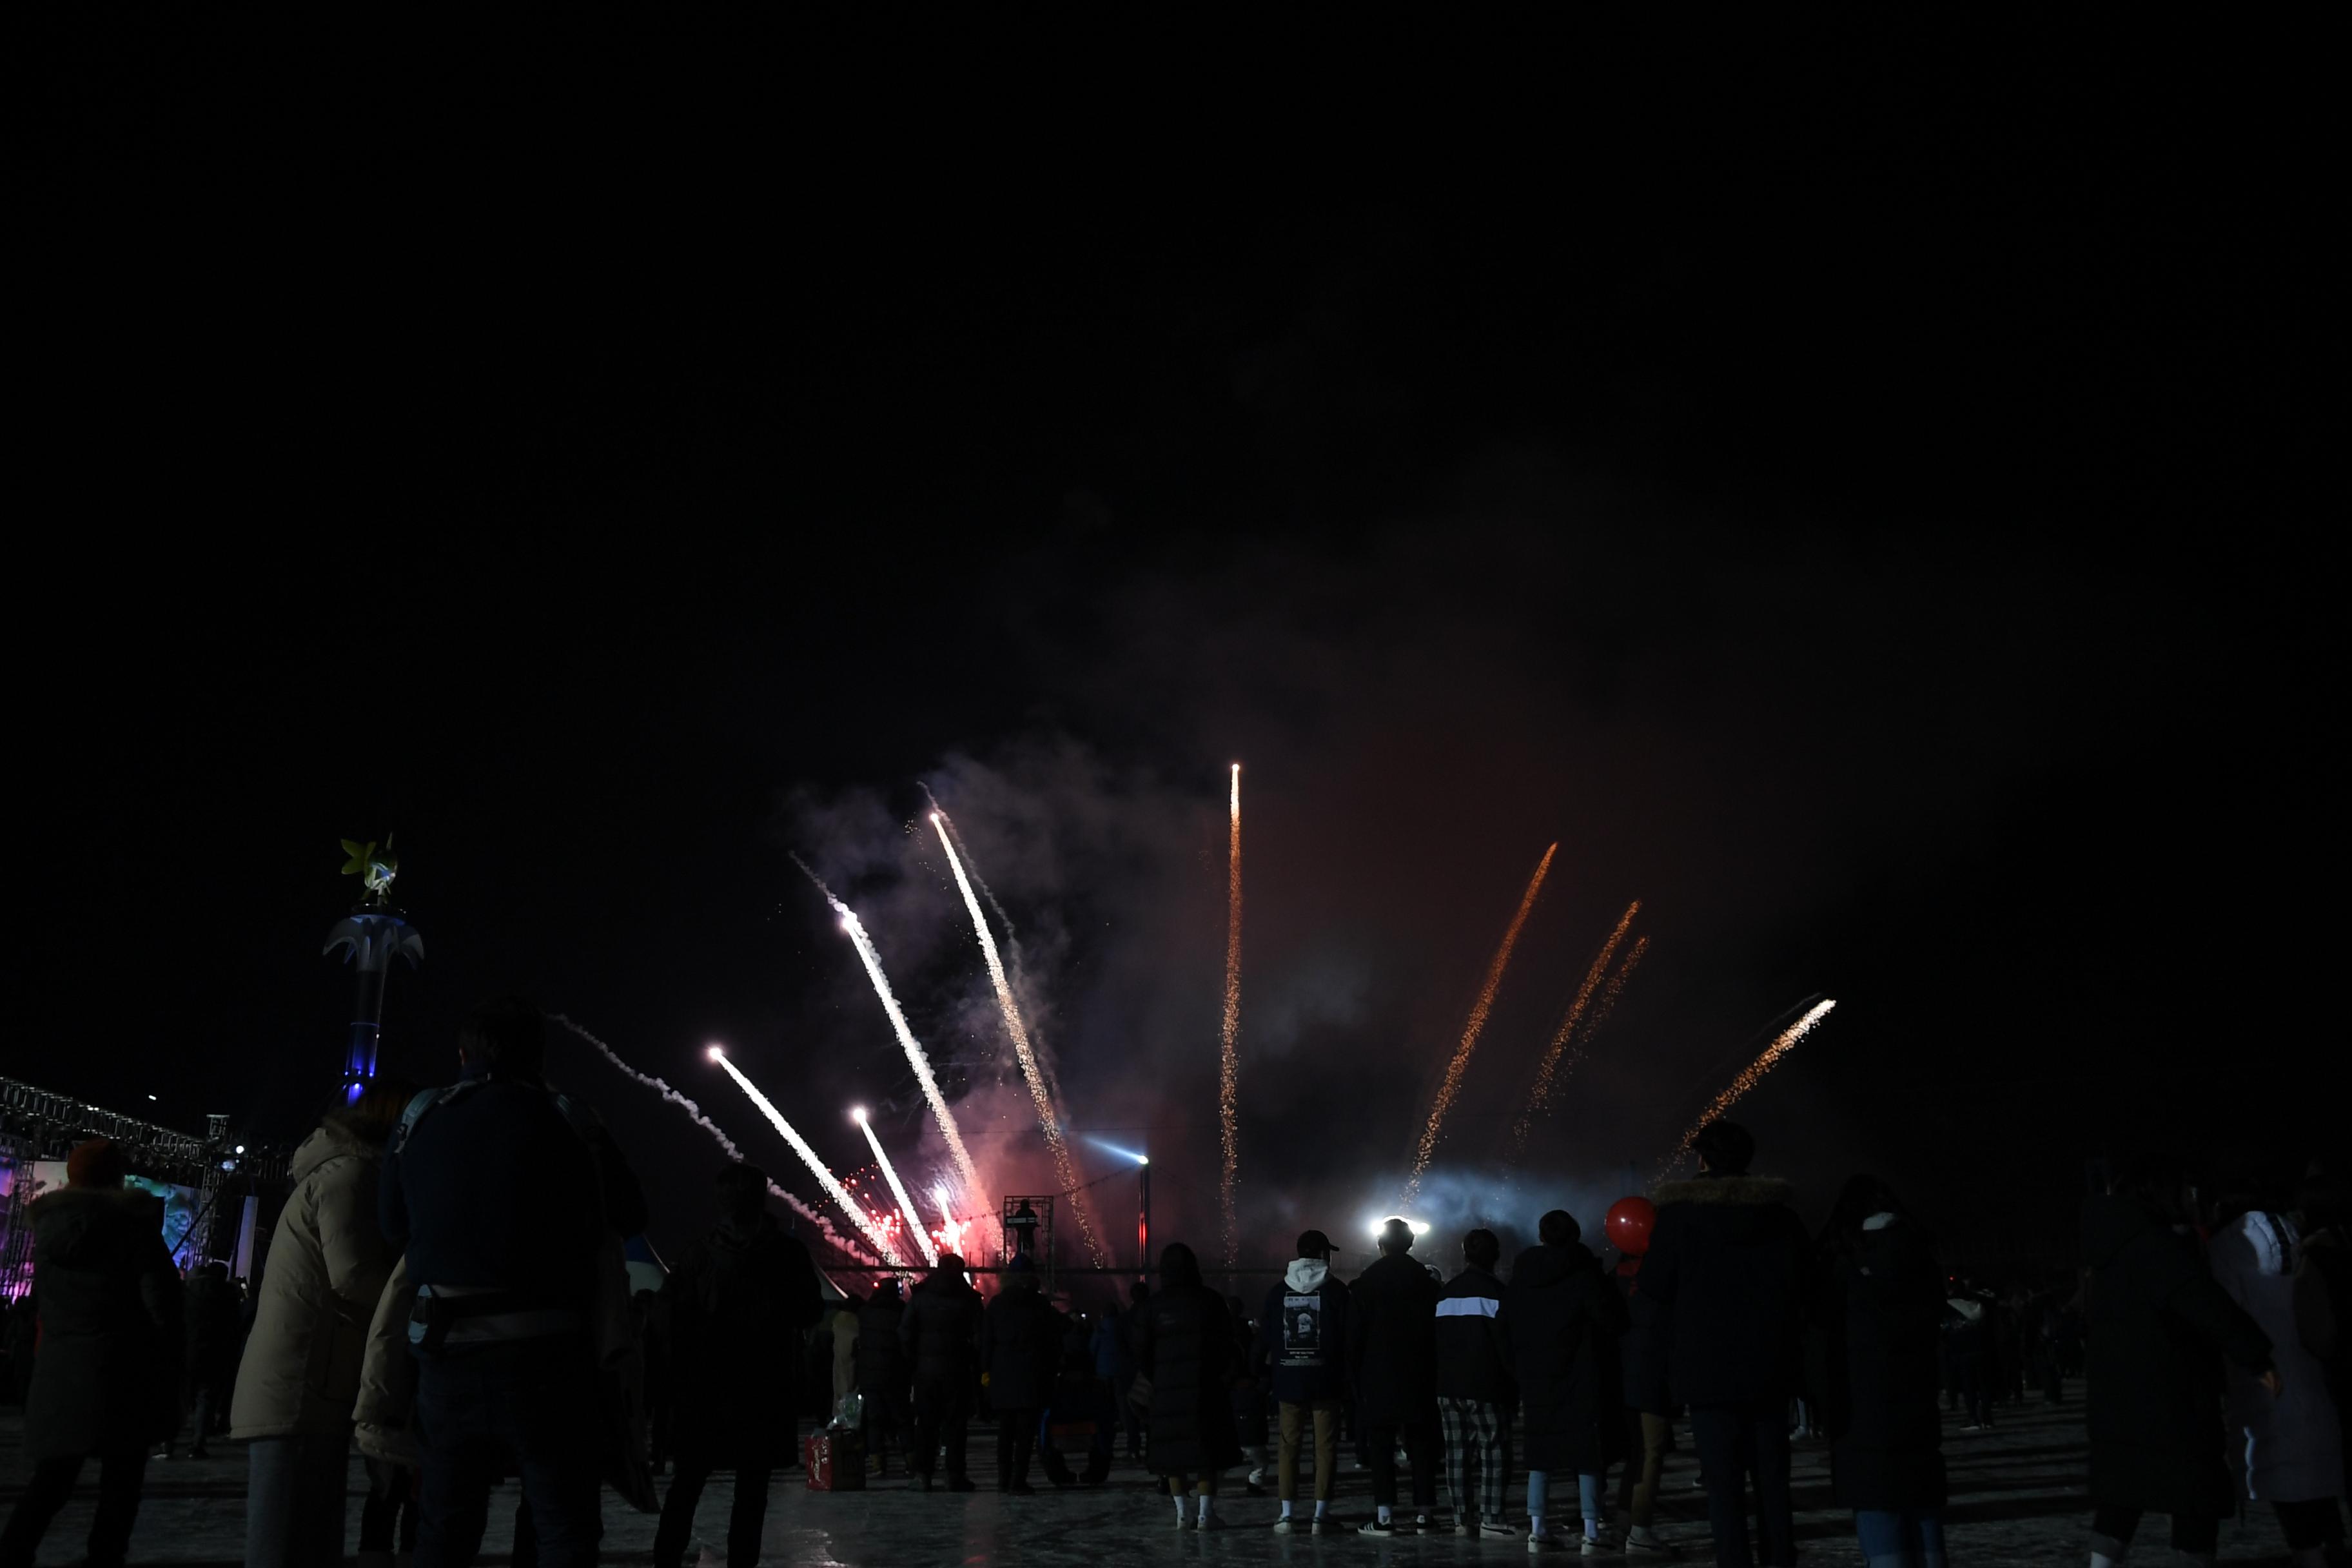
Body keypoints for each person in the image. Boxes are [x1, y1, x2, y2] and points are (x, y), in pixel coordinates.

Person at [378, 995, 612, 1567]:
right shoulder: (566, 1117)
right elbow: (626, 1214)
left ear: (462, 1054)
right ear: (537, 1056)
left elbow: (391, 1227)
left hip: (446, 1352)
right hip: (548, 1354)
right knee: (563, 1526)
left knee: (445, 1525)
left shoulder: (419, 1118)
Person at [230, 1079, 411, 1568]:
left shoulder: (345, 1173)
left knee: (303, 1542)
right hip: (299, 1386)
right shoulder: (350, 1176)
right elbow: (352, 1274)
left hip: (312, 1383)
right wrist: (417, 1291)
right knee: (286, 1545)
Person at [2081, 1155, 2276, 1568]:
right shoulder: (2158, 1247)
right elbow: (2207, 1307)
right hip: (2171, 1398)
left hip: (2120, 1400)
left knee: (2124, 1495)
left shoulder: (2112, 1249)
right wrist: (2256, 1356)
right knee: (2193, 1497)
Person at [0, 1138, 181, 1568]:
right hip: (125, 1372)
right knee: (121, 1487)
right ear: (117, 1177)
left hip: (62, 1370)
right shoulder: (133, 1228)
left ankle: (12, 1553)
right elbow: (163, 1306)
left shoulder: (47, 1234)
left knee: (53, 1480)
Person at [1642, 1119, 1812, 1568]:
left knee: (1723, 1485)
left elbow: (1655, 1287)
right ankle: (1780, 1558)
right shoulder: (1780, 1216)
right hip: (1770, 1364)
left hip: (1706, 1368)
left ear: (1703, 1159)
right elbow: (1805, 1287)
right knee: (1774, 1481)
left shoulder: (1679, 1218)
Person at [651, 1162, 823, 1568]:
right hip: (763, 1385)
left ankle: (665, 1561)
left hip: (704, 1385)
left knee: (687, 1484)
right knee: (752, 1490)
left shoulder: (697, 1255)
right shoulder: (787, 1253)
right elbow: (810, 1310)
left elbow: (668, 1317)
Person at [1814, 1175, 1946, 1568]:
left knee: (1875, 1503)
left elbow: (1822, 1339)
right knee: (1922, 1505)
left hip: (1860, 1403)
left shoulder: (1841, 1263)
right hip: (1917, 1400)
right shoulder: (1919, 1256)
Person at [2211, 1189, 2344, 1567]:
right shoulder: (2298, 1239)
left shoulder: (2226, 1248)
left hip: (2264, 1385)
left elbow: (2226, 1319)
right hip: (2313, 1383)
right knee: (2319, 1484)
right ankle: (2333, 1551)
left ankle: (2312, 1558)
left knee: (2289, 1488)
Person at [1497, 1208, 1627, 1554]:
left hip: (1536, 1379)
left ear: (1541, 1237)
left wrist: (1519, 1371)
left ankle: (1538, 1530)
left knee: (1540, 1455)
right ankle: (1591, 1531)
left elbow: (1503, 1331)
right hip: (1582, 1376)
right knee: (1587, 1455)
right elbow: (1611, 1321)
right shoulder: (1586, 1276)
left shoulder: (1521, 1280)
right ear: (1575, 1236)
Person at [1138, 1242, 1242, 1528]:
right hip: (1205, 1387)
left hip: (1168, 1391)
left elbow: (1142, 1351)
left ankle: (1182, 1513)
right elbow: (1226, 1346)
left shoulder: (1153, 1306)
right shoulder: (1210, 1300)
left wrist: (1159, 1377)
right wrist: (1222, 1376)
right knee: (1207, 1451)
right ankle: (1207, 1513)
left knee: (1173, 1452)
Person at [1351, 1217, 1444, 1534]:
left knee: (1380, 1445)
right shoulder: (1427, 1284)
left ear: (1380, 1246)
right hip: (1420, 1371)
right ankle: (1425, 1514)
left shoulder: (1365, 1284)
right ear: (1411, 1244)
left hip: (1376, 1373)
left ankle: (1385, 1515)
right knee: (1421, 1443)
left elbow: (1354, 1336)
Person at [1260, 1228, 1353, 1532]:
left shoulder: (1277, 1292)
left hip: (1288, 1381)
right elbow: (1349, 1337)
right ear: (1324, 1254)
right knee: (1325, 1448)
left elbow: (1266, 1337)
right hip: (1326, 1380)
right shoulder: (1337, 1291)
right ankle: (1320, 1515)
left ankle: (1287, 1514)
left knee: (1288, 1447)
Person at [1436, 1226, 1518, 1540]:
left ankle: (1461, 1519)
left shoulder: (1445, 1293)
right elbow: (1506, 1347)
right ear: (1495, 1256)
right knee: (1494, 1452)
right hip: (1487, 1387)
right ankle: (1492, 1517)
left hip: (1448, 1387)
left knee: (1457, 1455)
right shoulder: (1498, 1294)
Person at [1606, 1198, 1674, 1556]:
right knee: (1651, 1453)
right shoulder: (1661, 1279)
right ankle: (1640, 1529)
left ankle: (1624, 1522)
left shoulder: (1614, 1277)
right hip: (1651, 1374)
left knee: (1637, 1453)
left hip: (1621, 1374)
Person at [901, 1252, 983, 1491]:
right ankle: (954, 1475)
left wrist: (914, 1361)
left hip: (926, 1372)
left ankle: (923, 1475)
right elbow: (980, 1337)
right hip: (958, 1370)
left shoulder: (920, 1298)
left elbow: (905, 1332)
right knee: (956, 1425)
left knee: (926, 1424)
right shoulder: (969, 1300)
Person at [982, 1254, 1064, 1493]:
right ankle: (1018, 1479)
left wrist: (986, 1372)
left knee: (1005, 1432)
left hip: (1002, 1375)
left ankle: (1003, 1478)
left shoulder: (996, 1304)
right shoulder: (1040, 1306)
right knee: (1026, 1432)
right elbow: (1054, 1342)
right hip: (1032, 1375)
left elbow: (986, 1342)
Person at [182, 1260, 243, 1457]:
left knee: (182, 1397)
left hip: (188, 1351)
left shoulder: (189, 1293)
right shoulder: (227, 1297)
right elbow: (234, 1326)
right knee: (205, 1399)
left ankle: (168, 1442)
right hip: (214, 1354)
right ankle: (197, 1445)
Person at [857, 1277, 912, 1476]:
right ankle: (911, 1461)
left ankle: (877, 1464)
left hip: (870, 1375)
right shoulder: (902, 1312)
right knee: (902, 1419)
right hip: (896, 1374)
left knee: (874, 1421)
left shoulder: (865, 1313)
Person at [1940, 1275, 1997, 1430]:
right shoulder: (1978, 1303)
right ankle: (1987, 1418)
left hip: (1961, 1351)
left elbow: (1944, 1329)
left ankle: (1973, 1418)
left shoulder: (1949, 1307)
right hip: (1982, 1349)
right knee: (1984, 1385)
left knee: (1969, 1386)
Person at [1226, 1295, 1270, 1494]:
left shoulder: (1219, 1333)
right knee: (1258, 1453)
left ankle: (1208, 1487)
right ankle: (1254, 1482)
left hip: (1229, 1391)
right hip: (1250, 1391)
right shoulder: (1250, 1333)